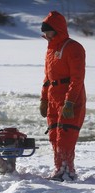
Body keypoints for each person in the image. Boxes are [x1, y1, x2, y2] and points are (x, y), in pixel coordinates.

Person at [39, 11, 86, 181]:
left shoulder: (73, 47)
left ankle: (68, 171)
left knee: (65, 136)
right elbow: (47, 78)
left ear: (57, 29)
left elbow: (77, 78)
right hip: (53, 97)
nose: (45, 34)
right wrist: (43, 99)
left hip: (70, 99)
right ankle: (59, 169)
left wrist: (70, 101)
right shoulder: (51, 49)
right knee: (54, 135)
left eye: (48, 30)